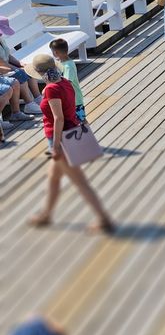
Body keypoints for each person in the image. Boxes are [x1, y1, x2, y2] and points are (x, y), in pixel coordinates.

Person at [25, 54, 115, 235]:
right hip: (70, 131)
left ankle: (103, 218)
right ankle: (46, 214)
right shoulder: (64, 83)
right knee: (53, 177)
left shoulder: (51, 90)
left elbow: (58, 119)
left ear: (40, 73)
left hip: (62, 138)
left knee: (80, 182)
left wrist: (56, 146)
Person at [47, 38, 86, 127]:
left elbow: (67, 82)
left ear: (55, 52)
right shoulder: (61, 63)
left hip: (75, 100)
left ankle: (87, 137)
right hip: (69, 99)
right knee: (74, 121)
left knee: (81, 120)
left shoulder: (68, 66)